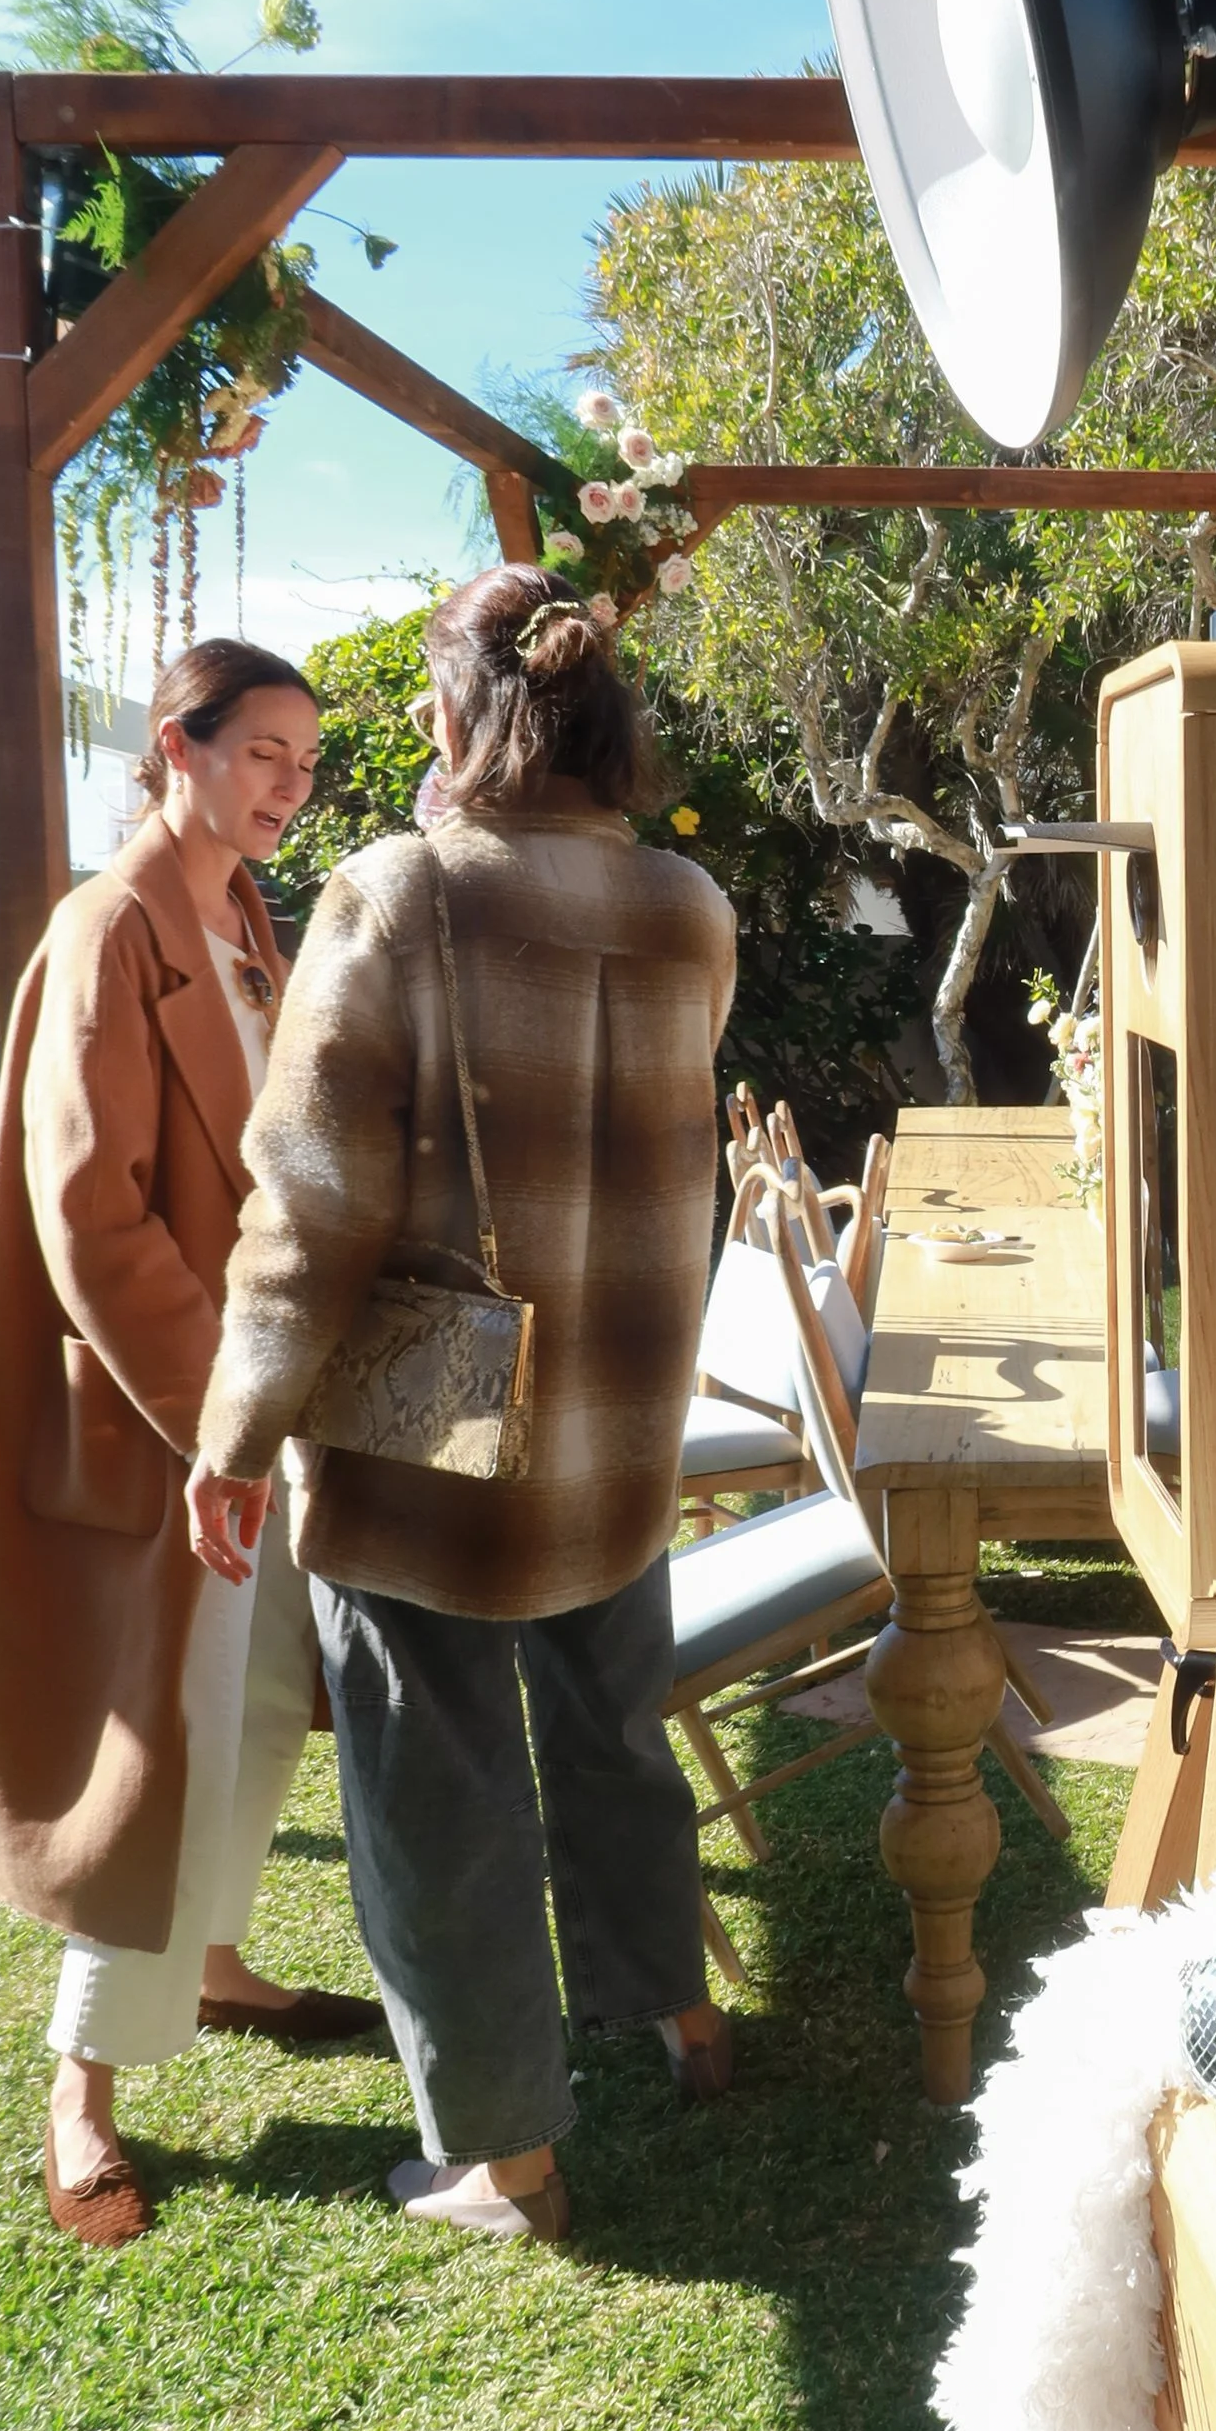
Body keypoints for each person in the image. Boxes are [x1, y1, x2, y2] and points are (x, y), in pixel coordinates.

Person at [189, 567, 739, 2244]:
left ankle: (505, 2154)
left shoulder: (391, 896)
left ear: (461, 711)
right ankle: (680, 2010)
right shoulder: (689, 907)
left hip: (429, 1439)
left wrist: (234, 1429)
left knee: (438, 1789)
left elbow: (308, 1209)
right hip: (617, 1418)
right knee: (612, 1724)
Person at [0, 638, 380, 2251]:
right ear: (174, 746)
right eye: (263, 749)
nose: (289, 782)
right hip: (164, 1414)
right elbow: (90, 1215)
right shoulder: (105, 928)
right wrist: (224, 1420)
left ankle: (212, 1965)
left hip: (260, 1405)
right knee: (167, 1724)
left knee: (265, 1685)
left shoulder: (253, 926)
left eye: (305, 757)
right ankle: (81, 2092)